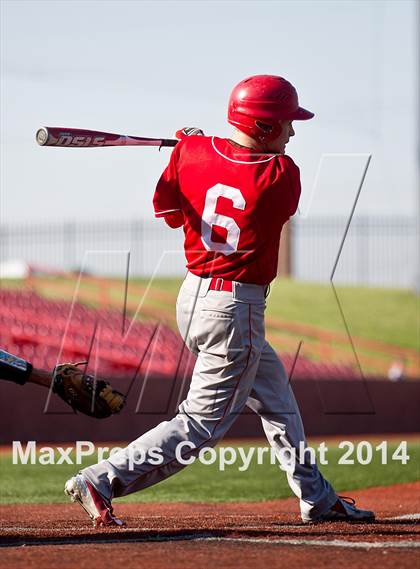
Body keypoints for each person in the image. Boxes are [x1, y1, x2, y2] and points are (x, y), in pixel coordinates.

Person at [64, 75, 375, 527]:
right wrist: (200, 148)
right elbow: (245, 172)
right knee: (201, 425)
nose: (292, 132)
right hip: (235, 311)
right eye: (286, 123)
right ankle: (103, 478)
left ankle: (317, 497)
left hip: (192, 298)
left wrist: (191, 149)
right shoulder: (282, 177)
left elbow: (172, 214)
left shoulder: (191, 154)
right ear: (264, 127)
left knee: (279, 404)